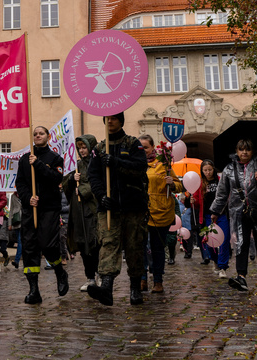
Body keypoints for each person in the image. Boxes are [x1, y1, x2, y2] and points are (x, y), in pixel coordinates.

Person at [87, 113, 149, 307]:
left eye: (114, 118)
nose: (110, 121)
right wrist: (101, 196)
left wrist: (115, 163)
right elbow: (93, 176)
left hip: (133, 206)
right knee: (108, 244)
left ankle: (135, 288)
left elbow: (140, 168)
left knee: (134, 246)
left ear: (121, 120)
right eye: (107, 118)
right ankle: (106, 287)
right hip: (108, 207)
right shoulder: (98, 148)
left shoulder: (133, 144)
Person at [211, 138, 257, 292]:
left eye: (247, 149)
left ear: (253, 151)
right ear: (236, 151)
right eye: (241, 149)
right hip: (239, 213)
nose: (244, 152)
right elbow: (222, 193)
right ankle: (241, 276)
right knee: (241, 245)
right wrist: (215, 211)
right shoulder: (229, 169)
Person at [16, 126, 69, 304]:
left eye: (41, 133)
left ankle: (60, 273)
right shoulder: (24, 160)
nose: (38, 136)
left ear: (48, 136)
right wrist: (27, 198)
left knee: (48, 244)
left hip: (49, 209)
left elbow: (56, 178)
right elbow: (20, 184)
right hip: (30, 209)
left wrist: (37, 164)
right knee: (30, 248)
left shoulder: (55, 159)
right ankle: (34, 290)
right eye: (35, 134)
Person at [139, 134, 181, 294]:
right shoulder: (135, 164)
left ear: (152, 148)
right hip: (141, 212)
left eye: (146, 147)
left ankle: (158, 280)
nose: (143, 150)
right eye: (140, 147)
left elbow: (179, 185)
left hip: (160, 213)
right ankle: (142, 279)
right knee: (140, 247)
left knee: (157, 248)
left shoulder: (163, 164)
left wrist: (173, 183)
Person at [62, 134, 100, 292]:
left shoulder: (97, 164)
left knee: (94, 243)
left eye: (84, 147)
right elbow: (65, 185)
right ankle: (90, 277)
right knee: (83, 244)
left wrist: (83, 189)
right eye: (80, 148)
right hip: (78, 212)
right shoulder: (75, 165)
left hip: (93, 210)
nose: (82, 150)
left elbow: (100, 184)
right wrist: (71, 179)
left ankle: (99, 274)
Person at [199, 160, 230, 278]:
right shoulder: (200, 183)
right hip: (207, 216)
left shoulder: (220, 181)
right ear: (202, 171)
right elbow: (196, 201)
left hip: (221, 214)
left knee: (224, 239)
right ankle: (215, 260)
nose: (208, 172)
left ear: (214, 169)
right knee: (210, 242)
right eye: (205, 170)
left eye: (210, 170)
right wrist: (190, 200)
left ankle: (223, 266)